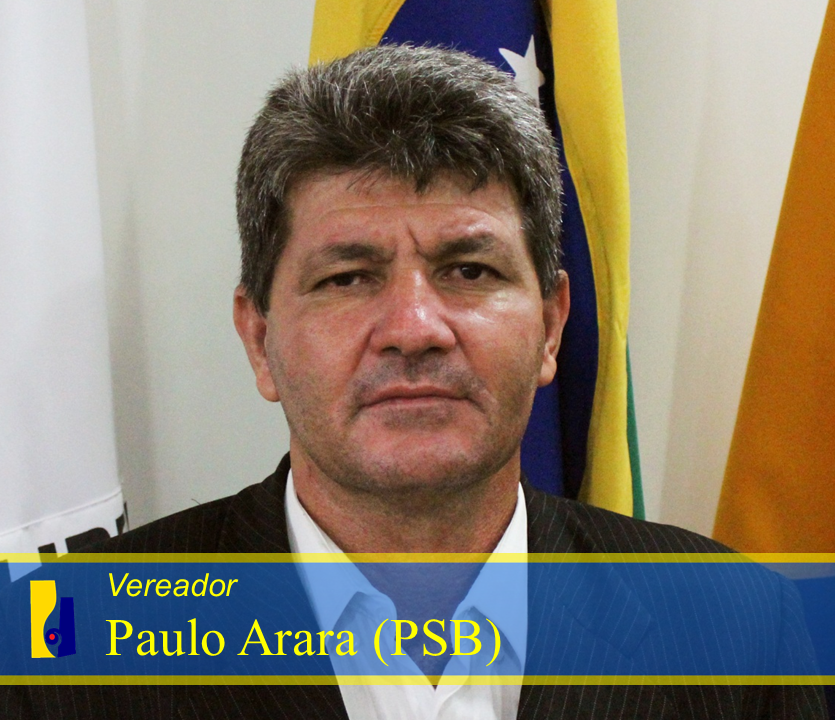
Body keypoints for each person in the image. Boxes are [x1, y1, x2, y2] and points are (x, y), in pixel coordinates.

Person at [2, 44, 826, 720]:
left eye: (468, 269)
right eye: (347, 278)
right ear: (259, 339)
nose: (413, 328)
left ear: (550, 325)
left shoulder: (736, 627)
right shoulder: (63, 645)